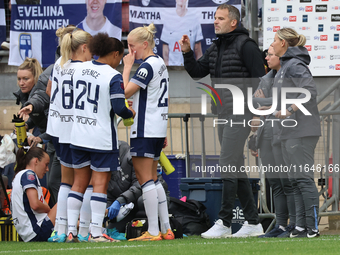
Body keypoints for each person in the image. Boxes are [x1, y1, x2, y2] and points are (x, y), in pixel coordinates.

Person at [179, 4, 265, 238]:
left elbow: (262, 80)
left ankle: (225, 222)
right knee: (235, 166)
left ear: (233, 22)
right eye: (215, 18)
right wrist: (187, 52)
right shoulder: (216, 47)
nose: (215, 21)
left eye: (220, 18)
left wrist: (257, 114)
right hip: (224, 114)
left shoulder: (247, 46)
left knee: (227, 163)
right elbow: (198, 72)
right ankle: (253, 223)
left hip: (241, 114)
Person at [69, 32, 135, 243]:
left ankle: (71, 231)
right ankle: (96, 232)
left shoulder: (79, 68)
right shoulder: (112, 75)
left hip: (77, 134)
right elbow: (119, 106)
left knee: (78, 184)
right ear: (116, 54)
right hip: (100, 137)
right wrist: (129, 113)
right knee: (99, 184)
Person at [122, 23, 174, 241]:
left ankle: (153, 231)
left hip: (145, 128)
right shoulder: (160, 62)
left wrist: (126, 68)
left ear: (145, 44)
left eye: (132, 47)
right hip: (157, 127)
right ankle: (166, 228)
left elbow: (124, 91)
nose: (130, 52)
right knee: (152, 179)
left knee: (145, 180)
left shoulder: (146, 66)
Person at [271, 28, 321, 238]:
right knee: (294, 179)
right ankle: (300, 226)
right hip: (288, 132)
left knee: (303, 178)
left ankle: (313, 227)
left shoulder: (295, 64)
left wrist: (289, 110)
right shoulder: (284, 66)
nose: (271, 45)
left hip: (302, 131)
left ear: (283, 43)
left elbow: (309, 92)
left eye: (274, 41)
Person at [45, 28, 93, 243]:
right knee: (88, 181)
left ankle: (61, 229)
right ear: (83, 47)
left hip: (58, 127)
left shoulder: (58, 64)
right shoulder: (85, 68)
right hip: (78, 129)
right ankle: (83, 230)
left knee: (66, 181)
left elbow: (49, 91)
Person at [251, 46, 296, 238]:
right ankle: (281, 225)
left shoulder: (287, 76)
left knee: (288, 183)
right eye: (267, 55)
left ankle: (294, 225)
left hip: (283, 135)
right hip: (266, 136)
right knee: (276, 184)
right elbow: (258, 111)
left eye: (271, 54)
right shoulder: (266, 79)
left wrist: (266, 105)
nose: (267, 58)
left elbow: (284, 104)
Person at [106, 140, 170, 239]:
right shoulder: (105, 167)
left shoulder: (132, 158)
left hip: (146, 200)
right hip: (128, 206)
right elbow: (108, 195)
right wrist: (106, 212)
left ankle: (157, 229)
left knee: (142, 201)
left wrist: (120, 201)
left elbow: (140, 185)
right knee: (113, 227)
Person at [11, 146, 57, 242]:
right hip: (37, 230)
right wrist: (49, 209)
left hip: (29, 233)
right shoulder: (29, 174)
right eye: (46, 164)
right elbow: (35, 204)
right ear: (36, 161)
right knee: (64, 198)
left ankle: (86, 227)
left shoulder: (20, 175)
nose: (47, 169)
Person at [161, 0, 203, 66]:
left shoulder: (194, 19)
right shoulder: (168, 19)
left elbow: (198, 51)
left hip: (190, 68)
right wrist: (167, 66)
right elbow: (165, 48)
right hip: (172, 68)